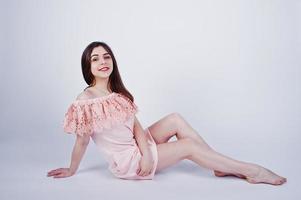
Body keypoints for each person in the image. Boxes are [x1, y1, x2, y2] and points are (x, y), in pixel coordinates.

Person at [47, 41, 287, 185]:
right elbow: (82, 141)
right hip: (129, 161)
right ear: (87, 67)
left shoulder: (117, 93)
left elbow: (136, 127)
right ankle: (252, 171)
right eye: (95, 58)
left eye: (107, 57)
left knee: (174, 119)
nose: (103, 62)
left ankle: (219, 165)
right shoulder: (85, 101)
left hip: (137, 147)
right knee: (188, 148)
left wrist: (148, 152)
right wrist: (72, 169)